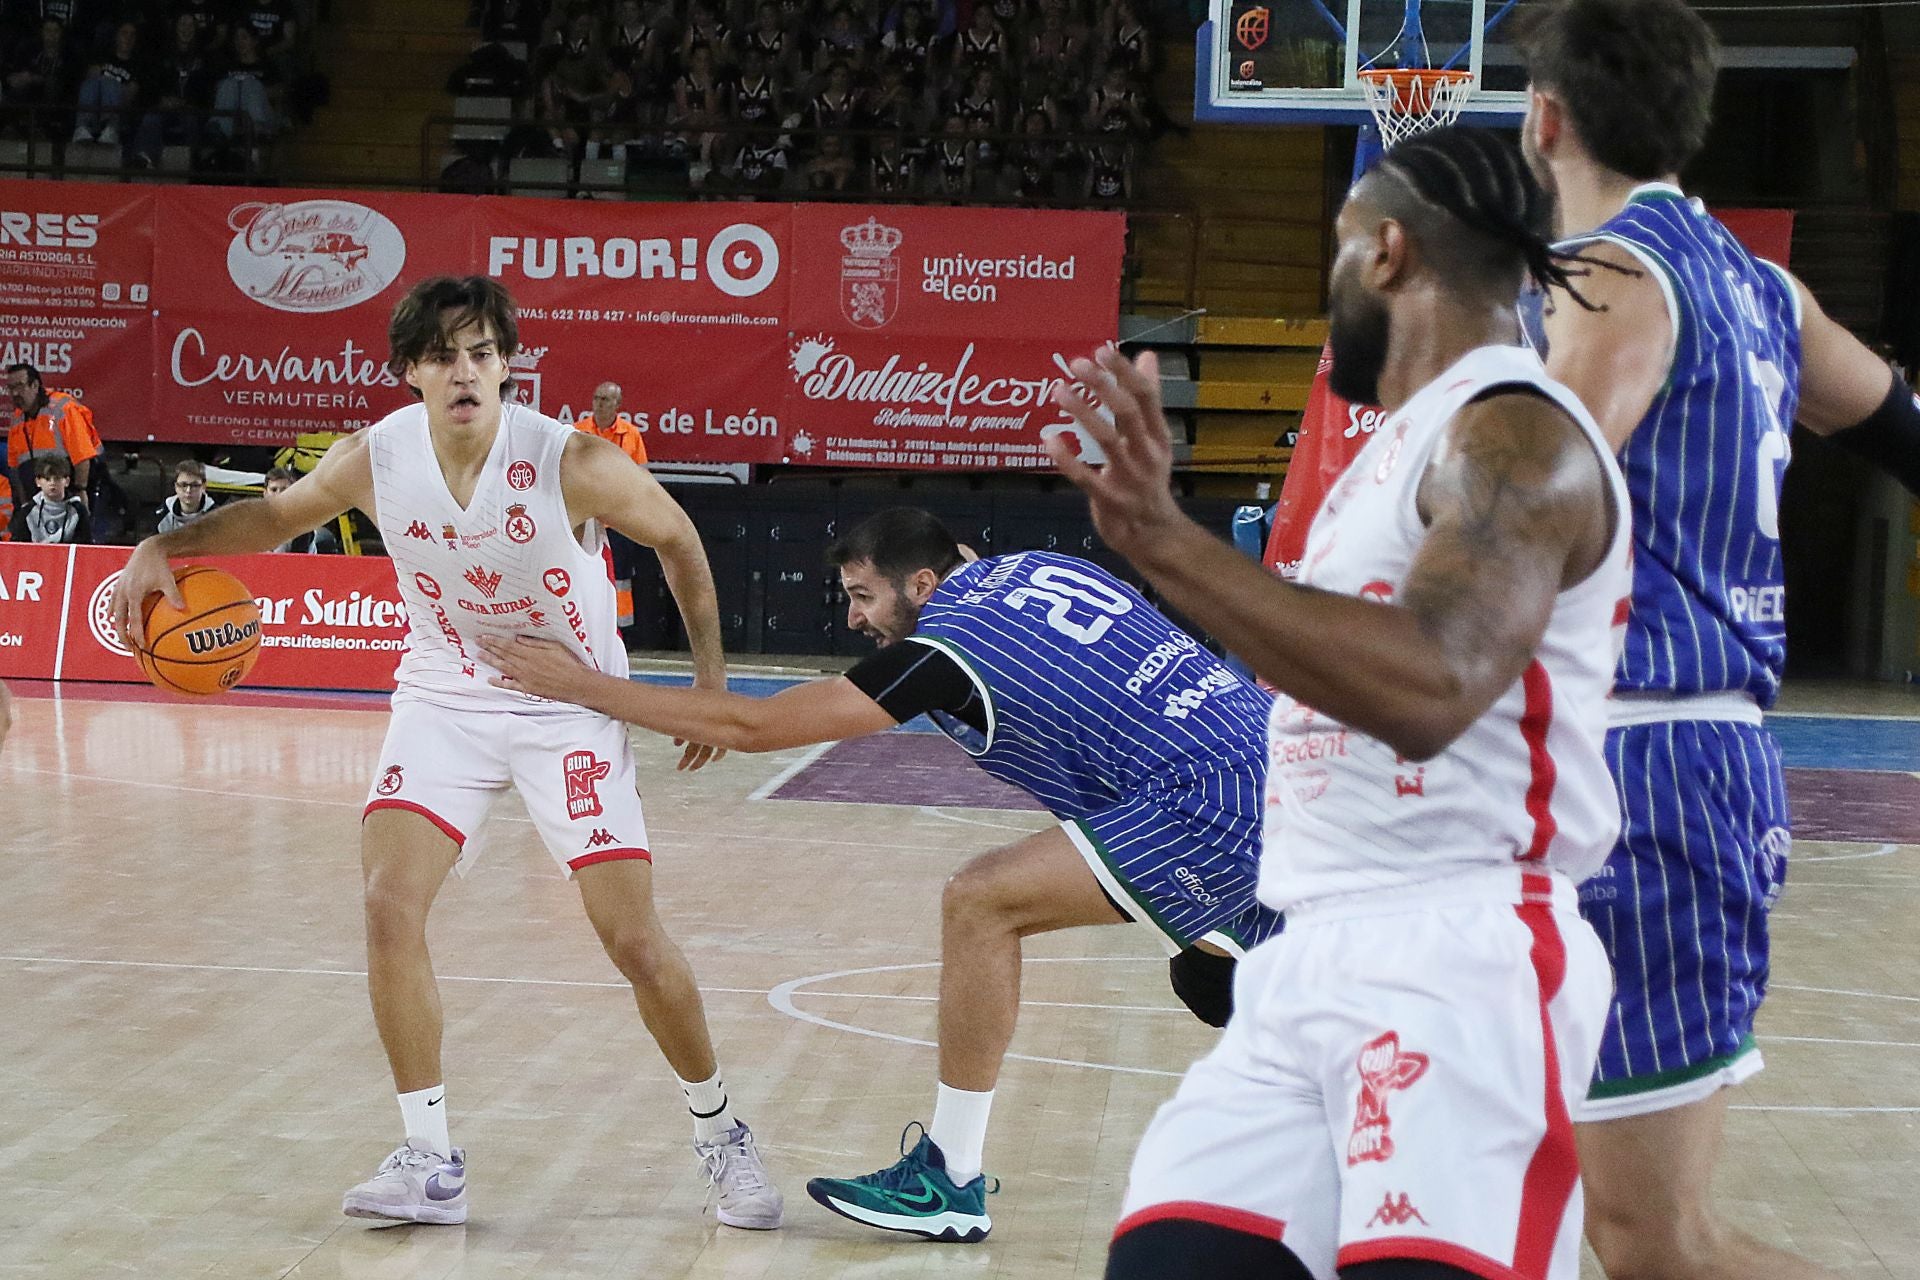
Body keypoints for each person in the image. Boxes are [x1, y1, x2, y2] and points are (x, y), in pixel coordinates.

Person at [1049, 126, 1629, 1280]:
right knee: (1171, 1260)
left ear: (1387, 252)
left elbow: (1433, 682)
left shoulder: (1519, 429)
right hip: (1304, 954)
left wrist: (1165, 541)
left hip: (1459, 950)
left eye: (1336, 244)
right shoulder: (1395, 448)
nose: (1330, 274)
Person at [108, 275, 783, 1232]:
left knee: (631, 940)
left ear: (507, 364)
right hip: (444, 694)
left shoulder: (571, 459)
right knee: (388, 905)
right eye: (443, 355)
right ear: (411, 370)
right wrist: (161, 546)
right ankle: (429, 1159)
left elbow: (679, 541)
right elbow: (272, 518)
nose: (464, 372)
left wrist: (709, 691)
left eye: (481, 353)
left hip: (568, 704)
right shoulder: (375, 456)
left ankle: (721, 1133)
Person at [480, 506, 1283, 1244]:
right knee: (1231, 985)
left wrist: (578, 684)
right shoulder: (1046, 564)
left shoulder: (943, 652)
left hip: (1206, 798)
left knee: (981, 901)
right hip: (1279, 759)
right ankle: (1342, 1136)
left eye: (865, 595)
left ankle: (951, 1179)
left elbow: (751, 725)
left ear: (924, 584)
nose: (856, 616)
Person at [1514, 1, 1920, 1276]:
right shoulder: (1765, 287)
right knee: (1565, 1207)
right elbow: (1904, 421)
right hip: (1672, 761)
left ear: (1545, 119)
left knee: (1653, 1242)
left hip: (1641, 767)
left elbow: (1537, 489)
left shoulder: (1612, 276)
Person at [6, 364, 101, 511]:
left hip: (72, 490)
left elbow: (83, 456)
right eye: (11, 388)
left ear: (35, 385)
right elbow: (15, 468)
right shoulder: (17, 419)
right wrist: (25, 505)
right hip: (40, 500)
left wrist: (80, 492)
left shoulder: (63, 409)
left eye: (20, 386)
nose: (15, 393)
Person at [10, 456, 92, 544]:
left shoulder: (78, 510)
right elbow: (17, 545)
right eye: (47, 479)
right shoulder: (27, 511)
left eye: (57, 479)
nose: (52, 483)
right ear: (38, 482)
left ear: (67, 481)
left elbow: (85, 544)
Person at [263, 466, 337, 552]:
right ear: (265, 494)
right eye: (274, 490)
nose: (279, 494)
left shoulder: (302, 524)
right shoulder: (255, 523)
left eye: (284, 489)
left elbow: (297, 561)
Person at [574, 381, 648, 465]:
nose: (599, 404)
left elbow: (642, 470)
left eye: (605, 399)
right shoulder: (577, 430)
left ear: (618, 404)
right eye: (596, 398)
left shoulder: (631, 433)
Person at [157, 459, 217, 532]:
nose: (188, 490)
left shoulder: (215, 514)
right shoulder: (162, 514)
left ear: (203, 487)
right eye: (183, 485)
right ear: (175, 486)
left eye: (194, 485)